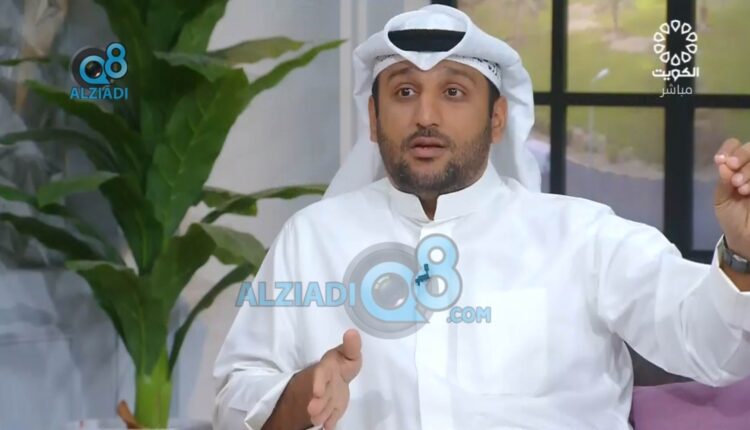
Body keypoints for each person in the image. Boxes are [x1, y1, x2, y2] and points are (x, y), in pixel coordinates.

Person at [213, 5, 750, 430]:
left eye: (453, 92)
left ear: (496, 118)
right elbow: (236, 394)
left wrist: (742, 254)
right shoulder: (312, 239)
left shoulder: (584, 237)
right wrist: (297, 396)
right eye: (404, 92)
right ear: (373, 119)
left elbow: (713, 349)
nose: (425, 116)